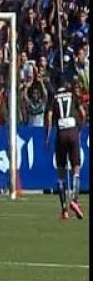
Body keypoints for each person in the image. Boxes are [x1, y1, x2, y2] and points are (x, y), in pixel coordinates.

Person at [45, 76, 86, 220]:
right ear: (66, 84)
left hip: (61, 133)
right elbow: (83, 113)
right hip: (73, 131)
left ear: (56, 85)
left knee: (61, 173)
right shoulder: (73, 95)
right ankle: (74, 200)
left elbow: (49, 117)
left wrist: (47, 136)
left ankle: (64, 210)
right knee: (76, 169)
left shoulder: (53, 97)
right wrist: (79, 129)